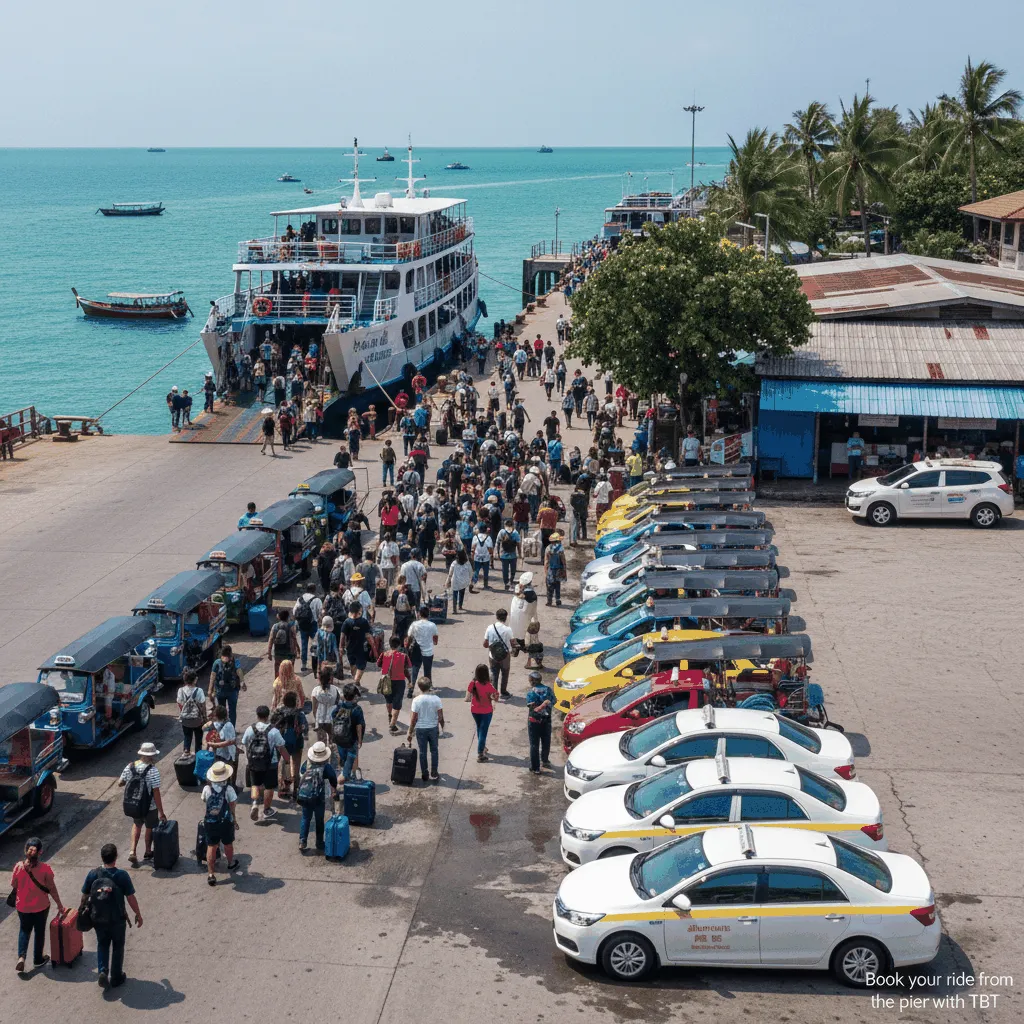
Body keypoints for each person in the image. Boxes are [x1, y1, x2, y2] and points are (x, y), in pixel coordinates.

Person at [80, 844, 142, 988]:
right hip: (117, 919)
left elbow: (84, 896)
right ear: (116, 857)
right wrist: (138, 914)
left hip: (98, 917)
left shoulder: (93, 874)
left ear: (102, 857)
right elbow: (130, 897)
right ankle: (116, 976)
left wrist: (83, 913)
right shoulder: (121, 875)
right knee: (118, 946)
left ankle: (102, 970)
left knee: (102, 944)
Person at [11, 837, 64, 973]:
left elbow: (14, 885)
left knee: (24, 930)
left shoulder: (18, 866)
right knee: (39, 932)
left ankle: (21, 958)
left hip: (22, 907)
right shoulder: (45, 869)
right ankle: (38, 959)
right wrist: (59, 904)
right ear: (40, 852)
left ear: (26, 851)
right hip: (41, 907)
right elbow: (52, 888)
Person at [118, 742, 166, 866]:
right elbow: (156, 792)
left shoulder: (130, 766)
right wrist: (161, 812)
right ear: (152, 756)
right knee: (149, 828)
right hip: (149, 807)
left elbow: (120, 782)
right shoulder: (153, 771)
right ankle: (148, 851)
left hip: (134, 805)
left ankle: (132, 851)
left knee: (136, 824)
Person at [242, 705, 288, 822]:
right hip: (270, 763)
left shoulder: (250, 729)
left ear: (257, 716)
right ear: (268, 716)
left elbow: (245, 743)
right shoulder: (273, 731)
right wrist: (288, 760)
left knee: (255, 785)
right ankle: (267, 809)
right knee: (269, 787)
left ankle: (255, 803)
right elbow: (281, 747)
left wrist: (250, 759)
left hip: (253, 762)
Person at [201, 761, 240, 885]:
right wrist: (234, 819)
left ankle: (211, 874)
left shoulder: (207, 789)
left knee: (211, 846)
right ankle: (230, 863)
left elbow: (204, 800)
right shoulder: (229, 789)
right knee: (228, 844)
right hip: (225, 822)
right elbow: (232, 805)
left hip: (210, 822)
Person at [296, 741, 338, 852]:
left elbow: (301, 774)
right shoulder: (326, 767)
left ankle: (302, 841)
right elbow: (333, 778)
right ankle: (319, 843)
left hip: (304, 796)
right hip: (318, 797)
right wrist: (334, 789)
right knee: (319, 820)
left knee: (306, 818)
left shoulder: (306, 763)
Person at [406, 678, 444, 783]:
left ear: (419, 687)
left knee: (423, 752)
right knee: (434, 751)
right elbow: (440, 716)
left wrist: (410, 731)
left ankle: (425, 773)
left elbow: (414, 718)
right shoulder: (436, 699)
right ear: (430, 686)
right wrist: (442, 727)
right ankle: (434, 772)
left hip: (420, 729)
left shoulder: (416, 700)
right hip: (433, 729)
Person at [272, 691, 308, 801]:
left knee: (283, 764)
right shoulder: (299, 713)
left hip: (282, 742)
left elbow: (272, 725)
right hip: (297, 743)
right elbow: (305, 728)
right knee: (296, 767)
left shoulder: (279, 712)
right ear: (295, 702)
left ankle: (284, 788)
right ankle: (296, 791)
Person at [331, 682, 365, 780]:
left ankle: (343, 772)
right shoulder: (357, 709)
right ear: (354, 696)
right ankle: (351, 776)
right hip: (351, 739)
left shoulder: (339, 707)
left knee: (342, 757)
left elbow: (333, 717)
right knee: (353, 756)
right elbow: (359, 726)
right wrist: (359, 740)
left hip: (339, 738)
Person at [466, 664, 499, 763]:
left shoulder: (473, 683)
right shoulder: (489, 685)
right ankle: (480, 754)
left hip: (475, 710)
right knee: (483, 732)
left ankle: (483, 747)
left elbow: (468, 695)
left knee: (479, 728)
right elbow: (495, 697)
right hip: (486, 711)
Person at [378, 636, 411, 733]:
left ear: (390, 643)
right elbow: (406, 669)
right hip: (399, 682)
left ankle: (390, 715)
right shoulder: (403, 656)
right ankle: (392, 725)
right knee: (397, 703)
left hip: (386, 681)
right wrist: (409, 680)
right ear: (399, 644)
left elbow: (378, 664)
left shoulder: (384, 654)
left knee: (388, 700)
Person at [525, 671, 556, 773]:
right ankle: (545, 760)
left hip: (534, 721)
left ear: (532, 681)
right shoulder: (548, 690)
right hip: (546, 720)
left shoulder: (531, 693)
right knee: (546, 740)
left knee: (534, 744)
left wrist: (540, 706)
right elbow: (554, 701)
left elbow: (532, 707)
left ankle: (535, 768)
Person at [210, 643, 245, 725]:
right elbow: (239, 672)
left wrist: (210, 689)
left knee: (222, 710)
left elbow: (213, 675)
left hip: (220, 690)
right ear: (231, 653)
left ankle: (222, 727)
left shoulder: (217, 662)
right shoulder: (235, 661)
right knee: (232, 711)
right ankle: (231, 729)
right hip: (232, 691)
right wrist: (242, 682)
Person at [483, 608, 514, 698]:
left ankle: (494, 693)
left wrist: (493, 646)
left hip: (492, 656)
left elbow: (485, 644)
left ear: (496, 617)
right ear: (506, 618)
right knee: (505, 674)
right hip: (505, 656)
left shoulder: (490, 627)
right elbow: (512, 642)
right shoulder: (508, 630)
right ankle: (503, 692)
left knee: (494, 673)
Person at [341, 600, 373, 686]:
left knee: (353, 664)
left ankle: (355, 680)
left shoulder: (346, 622)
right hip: (361, 649)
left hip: (350, 648)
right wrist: (374, 648)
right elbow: (368, 636)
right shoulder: (363, 622)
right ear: (359, 611)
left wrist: (341, 647)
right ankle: (356, 681)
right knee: (361, 666)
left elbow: (342, 636)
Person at [406, 605, 438, 688]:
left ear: (419, 614)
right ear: (428, 614)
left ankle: (411, 687)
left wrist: (407, 646)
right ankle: (428, 687)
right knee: (427, 671)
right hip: (428, 652)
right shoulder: (432, 625)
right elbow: (435, 641)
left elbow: (409, 637)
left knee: (415, 670)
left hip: (416, 650)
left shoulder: (414, 624)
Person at [176, 667, 207, 755]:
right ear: (195, 680)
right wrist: (205, 718)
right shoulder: (199, 691)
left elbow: (180, 703)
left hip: (185, 720)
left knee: (187, 736)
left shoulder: (180, 690)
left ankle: (186, 751)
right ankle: (198, 753)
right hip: (197, 720)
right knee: (198, 737)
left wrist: (185, 712)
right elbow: (203, 706)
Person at [292, 588, 322, 672]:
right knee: (315, 644)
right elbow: (321, 613)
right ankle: (315, 664)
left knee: (304, 644)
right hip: (313, 625)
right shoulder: (317, 600)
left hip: (302, 625)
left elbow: (294, 612)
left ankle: (304, 664)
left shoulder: (300, 599)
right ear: (314, 590)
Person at [205, 704, 238, 782]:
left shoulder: (213, 725)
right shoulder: (228, 725)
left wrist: (212, 745)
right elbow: (230, 741)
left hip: (218, 753)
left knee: (220, 773)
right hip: (226, 755)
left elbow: (208, 737)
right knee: (228, 772)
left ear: (216, 715)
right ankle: (231, 786)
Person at [311, 664, 341, 743]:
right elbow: (340, 705)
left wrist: (316, 718)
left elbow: (314, 709)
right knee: (332, 739)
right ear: (330, 678)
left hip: (320, 719)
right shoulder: (336, 689)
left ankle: (324, 753)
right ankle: (330, 749)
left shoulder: (315, 690)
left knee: (321, 742)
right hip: (331, 719)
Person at [268, 608, 299, 675]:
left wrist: (269, 652)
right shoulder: (291, 626)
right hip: (289, 653)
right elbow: (294, 639)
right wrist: (297, 650)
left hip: (278, 652)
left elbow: (271, 639)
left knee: (277, 671)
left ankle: (277, 684)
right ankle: (288, 683)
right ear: (287, 617)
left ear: (279, 617)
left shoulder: (274, 626)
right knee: (289, 672)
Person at [495, 517, 521, 591]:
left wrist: (498, 553)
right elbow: (518, 545)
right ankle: (511, 581)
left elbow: (497, 543)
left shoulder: (502, 532)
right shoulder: (515, 533)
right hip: (513, 555)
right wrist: (519, 554)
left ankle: (506, 583)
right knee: (513, 570)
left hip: (504, 555)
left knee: (505, 570)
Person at [544, 532, 567, 606]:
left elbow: (546, 561)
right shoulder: (560, 548)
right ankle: (558, 599)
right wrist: (564, 569)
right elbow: (563, 559)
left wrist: (546, 571)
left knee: (549, 585)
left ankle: (549, 600)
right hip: (559, 569)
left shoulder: (548, 548)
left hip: (550, 569)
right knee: (557, 584)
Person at [446, 547, 472, 612]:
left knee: (455, 594)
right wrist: (470, 580)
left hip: (455, 581)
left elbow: (450, 573)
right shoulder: (467, 563)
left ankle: (454, 609)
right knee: (462, 594)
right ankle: (460, 606)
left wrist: (448, 581)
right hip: (464, 582)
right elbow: (470, 572)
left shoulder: (454, 563)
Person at [470, 524, 493, 591]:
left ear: (479, 530)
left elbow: (473, 548)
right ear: (486, 530)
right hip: (486, 558)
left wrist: (472, 556)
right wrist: (491, 555)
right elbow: (490, 549)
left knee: (476, 571)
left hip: (477, 557)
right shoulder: (488, 538)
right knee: (486, 572)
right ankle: (485, 585)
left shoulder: (475, 537)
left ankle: (473, 583)